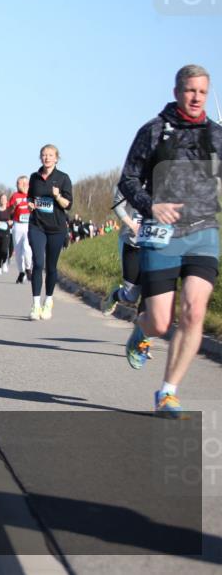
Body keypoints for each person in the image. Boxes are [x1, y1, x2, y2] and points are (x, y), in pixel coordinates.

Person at [118, 64, 219, 416]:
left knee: (194, 310)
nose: (196, 97)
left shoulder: (216, 135)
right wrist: (152, 205)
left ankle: (167, 392)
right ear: (177, 91)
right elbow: (127, 181)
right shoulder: (154, 131)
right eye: (190, 90)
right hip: (162, 235)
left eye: (203, 92)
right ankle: (141, 329)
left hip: (204, 232)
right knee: (160, 322)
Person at [27, 144, 73, 320]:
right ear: (41, 157)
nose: (47, 158)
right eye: (44, 155)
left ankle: (48, 302)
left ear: (56, 158)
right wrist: (31, 203)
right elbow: (30, 196)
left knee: (51, 267)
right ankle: (35, 304)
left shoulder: (63, 178)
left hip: (56, 228)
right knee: (38, 262)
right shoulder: (35, 177)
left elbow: (68, 204)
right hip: (37, 225)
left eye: (50, 155)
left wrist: (57, 196)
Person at [101, 186, 144, 320]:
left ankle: (143, 335)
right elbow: (118, 205)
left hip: (154, 245)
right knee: (131, 296)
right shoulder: (131, 180)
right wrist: (132, 225)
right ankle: (115, 295)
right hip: (131, 241)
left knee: (150, 292)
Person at [8, 176, 33, 284]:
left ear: (26, 184)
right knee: (18, 251)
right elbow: (9, 211)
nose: (18, 185)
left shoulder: (32, 195)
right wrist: (14, 205)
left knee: (27, 248)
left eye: (20, 183)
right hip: (18, 225)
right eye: (17, 183)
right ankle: (21, 271)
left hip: (29, 225)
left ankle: (28, 268)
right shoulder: (15, 195)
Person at [0, 192, 13, 274]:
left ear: (6, 200)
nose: (3, 200)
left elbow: (14, 219)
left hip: (6, 233)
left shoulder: (9, 210)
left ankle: (4, 262)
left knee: (4, 249)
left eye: (4, 199)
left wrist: (11, 221)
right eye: (2, 199)